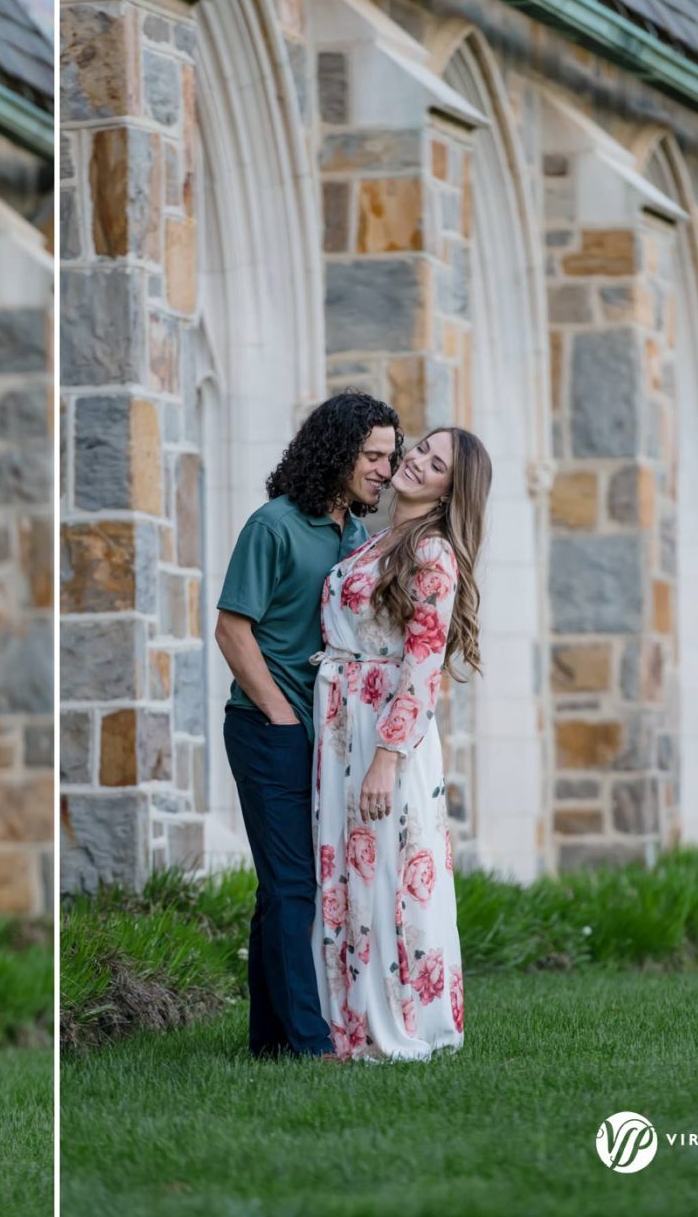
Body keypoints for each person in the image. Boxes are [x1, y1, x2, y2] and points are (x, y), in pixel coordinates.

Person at [213, 391, 403, 1059]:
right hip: (270, 730)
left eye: (390, 457)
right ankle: (309, 1043)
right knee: (294, 884)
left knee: (285, 885)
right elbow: (232, 628)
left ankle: (267, 1037)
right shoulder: (273, 525)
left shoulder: (357, 535)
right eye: (372, 455)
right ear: (336, 451)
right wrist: (281, 713)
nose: (384, 468)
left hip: (328, 739)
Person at [309, 426, 491, 1061]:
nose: (416, 463)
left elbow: (422, 669)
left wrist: (386, 760)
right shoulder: (376, 539)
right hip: (343, 726)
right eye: (420, 450)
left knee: (386, 869)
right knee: (346, 869)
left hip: (387, 735)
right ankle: (346, 1024)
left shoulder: (433, 551)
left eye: (435, 464)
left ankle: (399, 1023)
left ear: (449, 490)